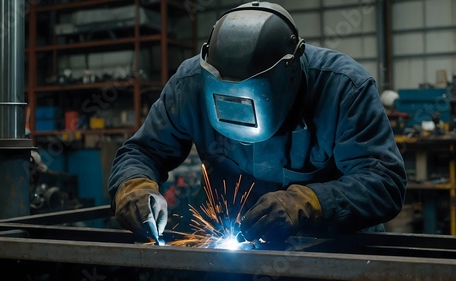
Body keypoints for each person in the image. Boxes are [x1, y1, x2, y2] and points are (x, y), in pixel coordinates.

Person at [108, 1, 407, 245]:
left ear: (289, 76)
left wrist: (308, 204)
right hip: (239, 248)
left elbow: (384, 183)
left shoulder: (344, 89)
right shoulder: (190, 86)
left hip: (332, 251)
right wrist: (134, 188)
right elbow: (143, 152)